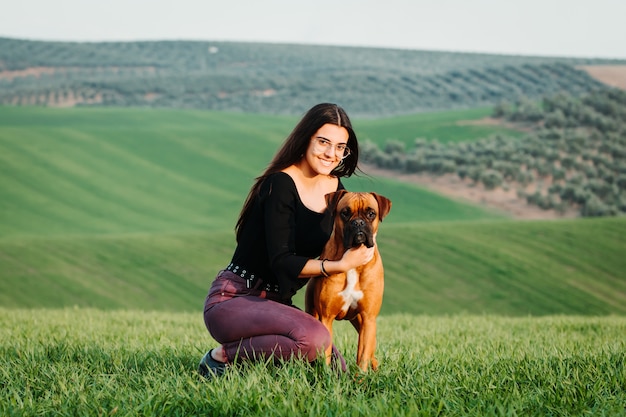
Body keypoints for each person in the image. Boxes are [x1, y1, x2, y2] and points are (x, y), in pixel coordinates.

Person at [199, 103, 375, 378]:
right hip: (235, 298)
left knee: (334, 369)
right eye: (323, 142)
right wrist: (337, 266)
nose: (331, 154)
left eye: (340, 147)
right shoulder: (279, 184)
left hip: (277, 304)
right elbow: (282, 262)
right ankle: (220, 357)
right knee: (315, 341)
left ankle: (254, 366)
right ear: (306, 138)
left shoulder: (336, 190)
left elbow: (348, 239)